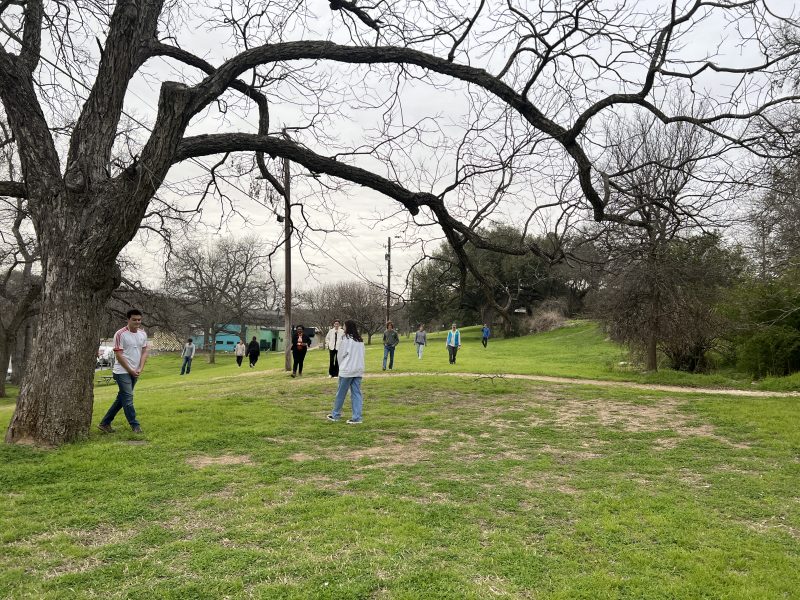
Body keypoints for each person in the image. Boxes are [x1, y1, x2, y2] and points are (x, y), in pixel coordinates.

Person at [98, 309, 148, 434]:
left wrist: (140, 368)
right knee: (128, 398)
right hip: (121, 372)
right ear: (128, 320)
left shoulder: (143, 334)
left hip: (135, 371)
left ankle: (105, 423)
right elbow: (119, 355)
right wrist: (130, 370)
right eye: (134, 320)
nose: (137, 322)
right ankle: (135, 426)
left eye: (139, 320)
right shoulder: (120, 334)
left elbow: (144, 352)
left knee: (122, 399)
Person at [327, 320, 366, 424]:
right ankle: (357, 417)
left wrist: (341, 366)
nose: (343, 328)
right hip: (358, 370)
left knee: (341, 393)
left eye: (344, 326)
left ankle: (335, 414)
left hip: (347, 370)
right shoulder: (360, 340)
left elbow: (340, 355)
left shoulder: (346, 339)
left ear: (347, 327)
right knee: (356, 393)